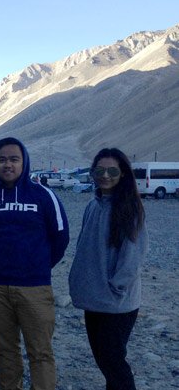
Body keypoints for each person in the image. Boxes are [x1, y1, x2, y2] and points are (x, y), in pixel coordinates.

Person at [0, 137, 69, 390]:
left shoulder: (43, 196)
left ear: (24, 161)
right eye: (2, 159)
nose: (8, 165)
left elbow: (60, 237)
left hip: (34, 288)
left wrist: (37, 266)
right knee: (5, 352)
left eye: (14, 159)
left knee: (40, 352)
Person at [68, 148, 147, 390]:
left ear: (122, 174)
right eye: (99, 170)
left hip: (116, 303)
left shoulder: (130, 208)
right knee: (105, 360)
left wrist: (116, 287)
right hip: (95, 299)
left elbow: (133, 257)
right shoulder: (93, 205)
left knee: (113, 362)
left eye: (112, 170)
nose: (105, 175)